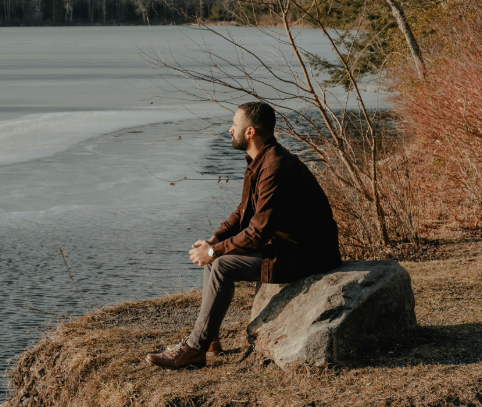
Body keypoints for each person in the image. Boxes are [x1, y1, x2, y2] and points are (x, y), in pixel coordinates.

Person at [145, 101, 341, 369]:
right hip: (287, 247)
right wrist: (214, 240)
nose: (230, 129)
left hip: (308, 255)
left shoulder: (276, 167)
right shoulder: (259, 160)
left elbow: (258, 232)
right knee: (217, 258)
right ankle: (208, 338)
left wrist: (215, 251)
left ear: (250, 132)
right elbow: (243, 212)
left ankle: (193, 350)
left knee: (222, 264)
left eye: (234, 125)